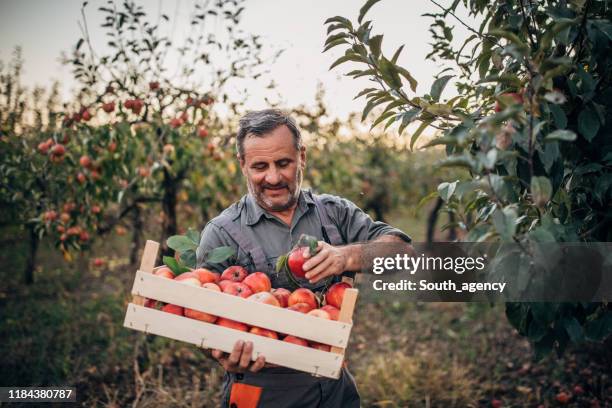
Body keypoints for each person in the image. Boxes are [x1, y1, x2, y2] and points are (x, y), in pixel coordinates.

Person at [196, 109, 411, 407]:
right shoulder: (221, 234)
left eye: (284, 163)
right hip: (263, 395)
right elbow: (200, 319)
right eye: (260, 166)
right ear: (243, 165)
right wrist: (221, 353)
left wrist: (346, 256)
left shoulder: (335, 214)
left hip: (334, 389)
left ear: (302, 157)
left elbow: (403, 254)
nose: (273, 177)